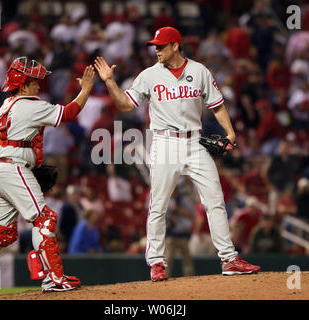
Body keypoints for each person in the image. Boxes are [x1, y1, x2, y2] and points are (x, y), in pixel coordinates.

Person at [94, 26, 261, 281]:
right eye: (155, 46)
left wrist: (230, 132)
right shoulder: (149, 75)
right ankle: (157, 263)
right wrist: (109, 81)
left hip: (195, 142)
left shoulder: (199, 71)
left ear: (175, 46)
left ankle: (228, 258)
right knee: (158, 204)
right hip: (164, 143)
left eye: (161, 45)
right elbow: (126, 105)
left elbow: (216, 105)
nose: (156, 49)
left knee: (215, 198)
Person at [0, 56, 96, 298]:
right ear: (24, 84)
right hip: (14, 168)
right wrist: (86, 89)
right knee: (45, 218)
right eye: (35, 81)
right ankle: (54, 278)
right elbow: (67, 114)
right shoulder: (30, 104)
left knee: (3, 231)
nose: (39, 86)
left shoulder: (3, 108)